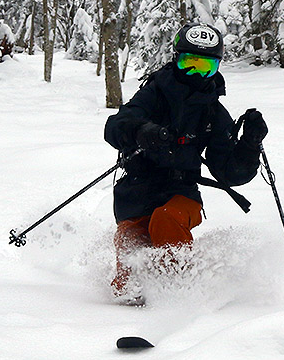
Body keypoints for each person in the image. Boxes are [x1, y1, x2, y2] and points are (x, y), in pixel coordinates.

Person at [104, 23, 267, 302]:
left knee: (166, 219)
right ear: (176, 59)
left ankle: (180, 294)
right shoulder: (153, 94)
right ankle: (130, 306)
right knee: (129, 248)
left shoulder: (212, 111)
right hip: (136, 193)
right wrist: (143, 132)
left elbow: (230, 172)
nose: (196, 74)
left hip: (182, 194)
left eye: (205, 67)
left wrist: (250, 145)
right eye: (189, 63)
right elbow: (115, 127)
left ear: (217, 68)